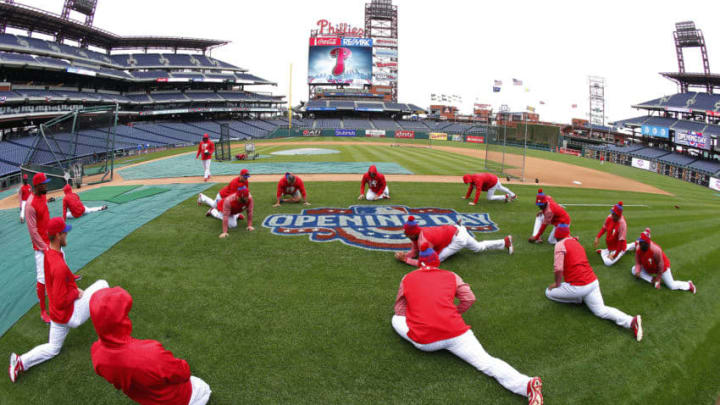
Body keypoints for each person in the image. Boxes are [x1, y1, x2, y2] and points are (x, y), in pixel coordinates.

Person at [392, 253, 543, 404]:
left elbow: (399, 309)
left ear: (420, 263)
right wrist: (452, 314)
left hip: (426, 342)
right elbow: (469, 298)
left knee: (395, 318)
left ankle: (526, 385)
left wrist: (420, 314)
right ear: (437, 262)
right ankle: (526, 385)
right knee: (487, 362)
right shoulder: (452, 275)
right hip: (457, 333)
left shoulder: (407, 277)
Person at [8, 217, 109, 383]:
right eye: (64, 233)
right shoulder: (58, 265)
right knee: (103, 284)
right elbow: (62, 299)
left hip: (56, 315)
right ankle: (109, 330)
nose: (66, 235)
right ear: (57, 235)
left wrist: (74, 287)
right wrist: (76, 294)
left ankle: (20, 362)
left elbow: (59, 285)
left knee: (53, 348)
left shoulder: (49, 252)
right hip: (70, 315)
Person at [90, 287, 211, 405]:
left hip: (147, 399)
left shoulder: (96, 353)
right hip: (176, 399)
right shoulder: (148, 353)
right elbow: (183, 372)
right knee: (204, 388)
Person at [545, 224, 643, 341]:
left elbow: (558, 268)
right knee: (601, 310)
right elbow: (571, 242)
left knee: (548, 292)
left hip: (578, 287)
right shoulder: (575, 242)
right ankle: (631, 321)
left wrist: (556, 283)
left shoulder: (559, 245)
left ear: (557, 235)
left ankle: (577, 299)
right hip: (593, 282)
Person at [395, 216, 513, 266]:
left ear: (412, 233)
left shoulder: (423, 240)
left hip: (458, 239)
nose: (405, 234)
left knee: (436, 261)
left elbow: (424, 263)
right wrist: (407, 254)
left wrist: (406, 260)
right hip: (457, 230)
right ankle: (504, 242)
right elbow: (415, 250)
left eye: (406, 233)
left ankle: (503, 242)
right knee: (478, 248)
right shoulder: (418, 233)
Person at [632, 228, 696, 293]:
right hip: (649, 266)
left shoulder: (656, 250)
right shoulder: (638, 248)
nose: (640, 243)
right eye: (640, 241)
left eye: (642, 242)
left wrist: (658, 278)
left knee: (672, 286)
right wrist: (637, 271)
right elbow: (638, 262)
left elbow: (661, 266)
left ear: (647, 243)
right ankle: (652, 279)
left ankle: (689, 285)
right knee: (634, 269)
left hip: (662, 268)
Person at [25, 173, 52, 323]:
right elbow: (33, 232)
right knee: (42, 278)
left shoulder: (42, 196)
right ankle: (43, 311)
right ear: (37, 186)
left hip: (51, 240)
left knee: (60, 264)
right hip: (41, 247)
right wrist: (44, 248)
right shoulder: (30, 205)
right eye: (44, 184)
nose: (46, 186)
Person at [593, 201, 635, 266]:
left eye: (614, 214)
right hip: (611, 246)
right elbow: (604, 228)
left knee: (608, 263)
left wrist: (615, 255)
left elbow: (620, 242)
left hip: (619, 247)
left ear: (618, 215)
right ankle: (634, 244)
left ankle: (605, 252)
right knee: (626, 247)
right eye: (612, 213)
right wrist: (597, 237)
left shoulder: (622, 224)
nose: (612, 215)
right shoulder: (610, 217)